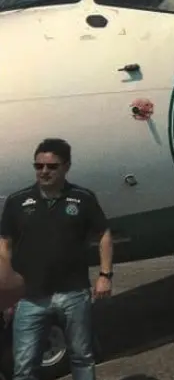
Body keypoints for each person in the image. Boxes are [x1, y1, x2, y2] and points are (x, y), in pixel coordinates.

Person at [0, 138, 113, 380]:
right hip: (30, 298)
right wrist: (7, 288)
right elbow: (5, 245)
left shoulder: (83, 198)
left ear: (66, 167)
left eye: (52, 167)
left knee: (82, 357)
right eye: (38, 166)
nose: (44, 171)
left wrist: (105, 275)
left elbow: (104, 234)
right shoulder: (17, 202)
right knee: (24, 366)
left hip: (74, 293)